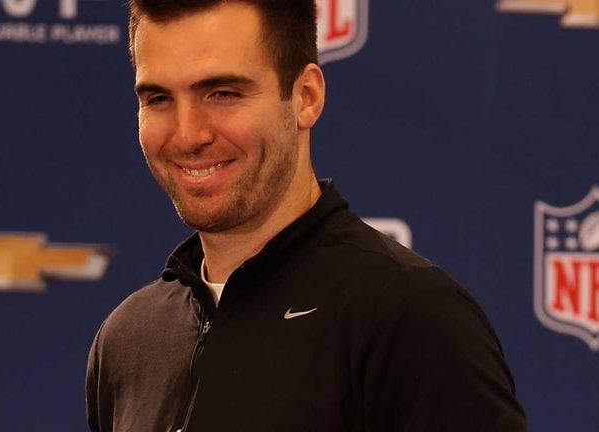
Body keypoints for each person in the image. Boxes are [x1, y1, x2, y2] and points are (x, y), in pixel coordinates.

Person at [86, 0, 528, 430]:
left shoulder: (411, 319)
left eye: (222, 93)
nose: (188, 134)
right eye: (159, 98)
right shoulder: (127, 339)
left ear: (306, 96)